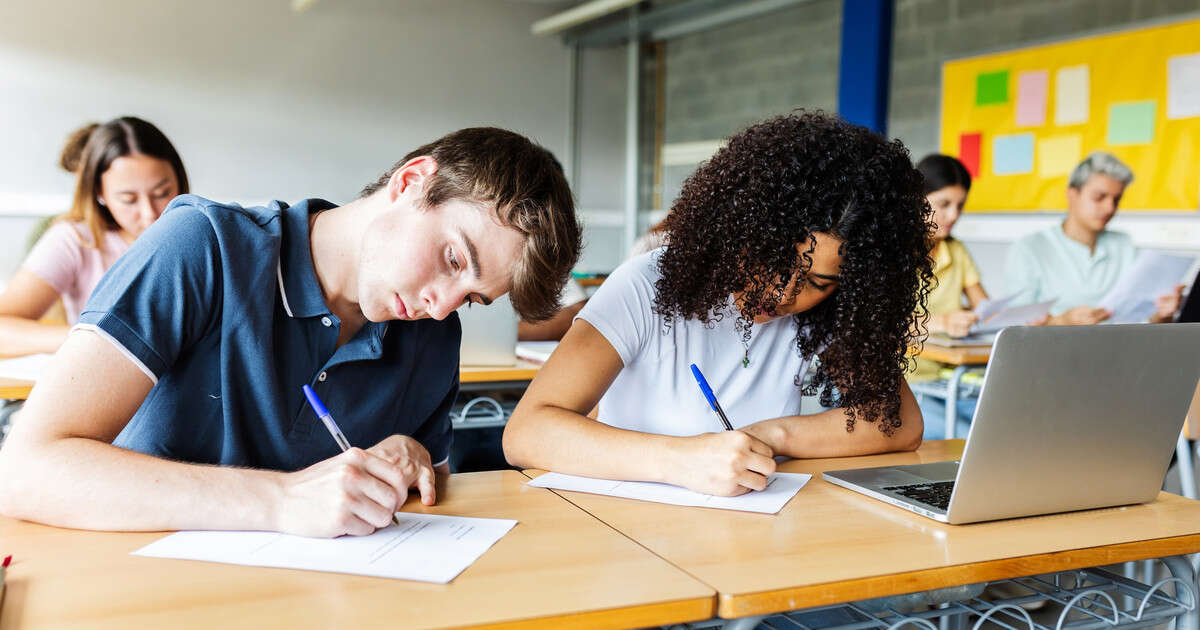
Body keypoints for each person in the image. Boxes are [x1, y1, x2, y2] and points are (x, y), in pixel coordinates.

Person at [0, 127, 580, 537]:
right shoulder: (202, 246)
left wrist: (409, 465)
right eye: (455, 259)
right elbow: (23, 473)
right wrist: (281, 499)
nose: (442, 305)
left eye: (474, 299)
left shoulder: (432, 334)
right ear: (410, 182)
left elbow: (425, 513)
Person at [503, 111, 931, 497]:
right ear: (743, 229)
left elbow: (900, 422)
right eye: (774, 261)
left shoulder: (824, 314)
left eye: (817, 282)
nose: (782, 294)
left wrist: (773, 434)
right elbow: (526, 433)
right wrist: (680, 460)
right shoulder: (647, 284)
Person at [0, 117, 188, 356]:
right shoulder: (74, 240)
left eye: (162, 193)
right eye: (128, 199)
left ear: (179, 181)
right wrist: (97, 337)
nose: (149, 213)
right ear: (100, 193)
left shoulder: (203, 234)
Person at [1005, 152, 1181, 325]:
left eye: (1116, 199)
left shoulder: (1124, 245)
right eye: (1099, 197)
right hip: (1057, 350)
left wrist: (1161, 316)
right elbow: (1017, 323)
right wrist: (1061, 321)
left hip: (1118, 348)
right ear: (1072, 195)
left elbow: (1138, 319)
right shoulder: (1029, 249)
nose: (1109, 208)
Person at [907, 154, 987, 440]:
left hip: (950, 379)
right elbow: (880, 325)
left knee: (1013, 430)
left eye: (960, 206)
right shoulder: (893, 253)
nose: (954, 215)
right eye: (944, 205)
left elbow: (986, 309)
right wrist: (942, 323)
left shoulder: (956, 250)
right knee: (975, 442)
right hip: (906, 384)